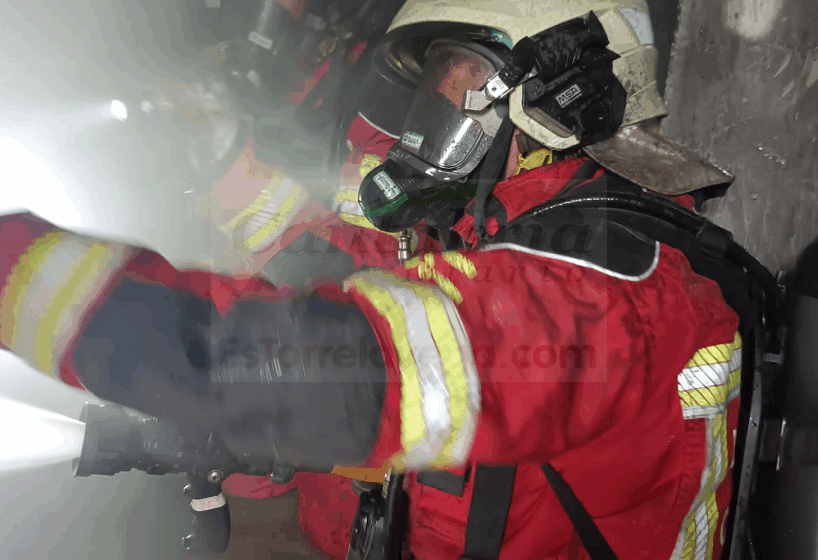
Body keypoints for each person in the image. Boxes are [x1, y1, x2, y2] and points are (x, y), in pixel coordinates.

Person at [0, 0, 768, 558]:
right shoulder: (518, 238)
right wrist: (223, 166)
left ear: (562, 97)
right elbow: (359, 272)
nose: (431, 110)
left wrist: (18, 275)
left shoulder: (608, 297)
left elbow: (348, 366)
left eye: (463, 80)